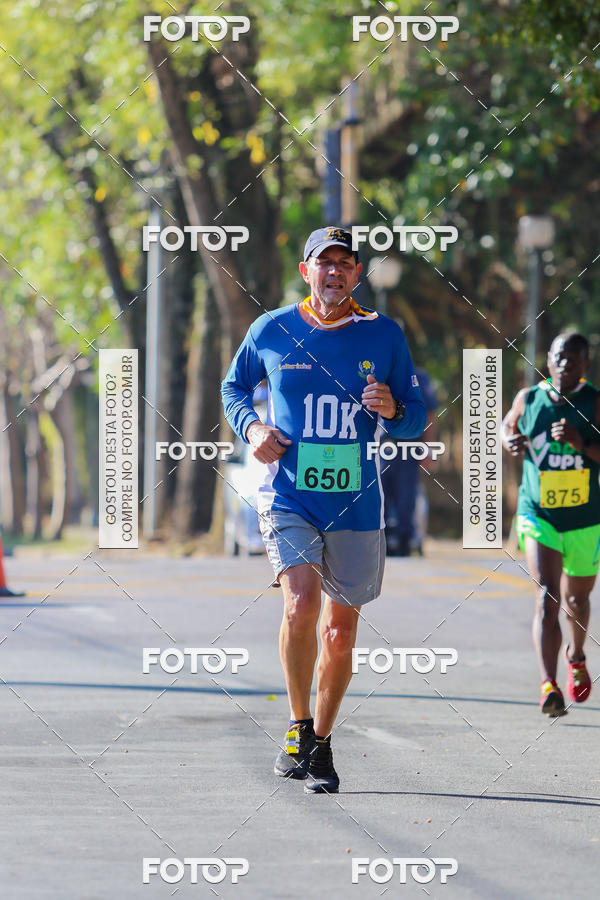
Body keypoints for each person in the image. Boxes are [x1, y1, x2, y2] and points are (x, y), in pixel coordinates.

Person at [221, 226, 426, 792]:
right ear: (306, 271)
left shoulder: (384, 335)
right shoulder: (272, 329)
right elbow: (233, 389)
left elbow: (415, 416)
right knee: (300, 604)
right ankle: (297, 724)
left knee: (339, 632)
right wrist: (253, 427)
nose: (334, 271)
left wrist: (393, 409)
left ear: (357, 273)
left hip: (356, 503)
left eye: (344, 263)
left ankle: (322, 742)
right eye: (324, 262)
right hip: (290, 493)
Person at [502, 332, 600, 717]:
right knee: (547, 594)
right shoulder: (529, 398)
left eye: (573, 359)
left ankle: (576, 656)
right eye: (559, 357)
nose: (564, 364)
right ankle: (549, 685)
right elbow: (507, 427)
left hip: (584, 518)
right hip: (538, 512)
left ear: (585, 364)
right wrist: (509, 439)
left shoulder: (594, 402)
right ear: (548, 360)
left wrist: (581, 445)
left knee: (577, 600)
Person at [382, 366, 438, 556]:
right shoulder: (376, 371)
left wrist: (428, 447)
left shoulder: (418, 377)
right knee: (380, 494)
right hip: (380, 446)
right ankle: (383, 539)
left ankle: (404, 539)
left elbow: (429, 413)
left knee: (406, 494)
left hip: (408, 445)